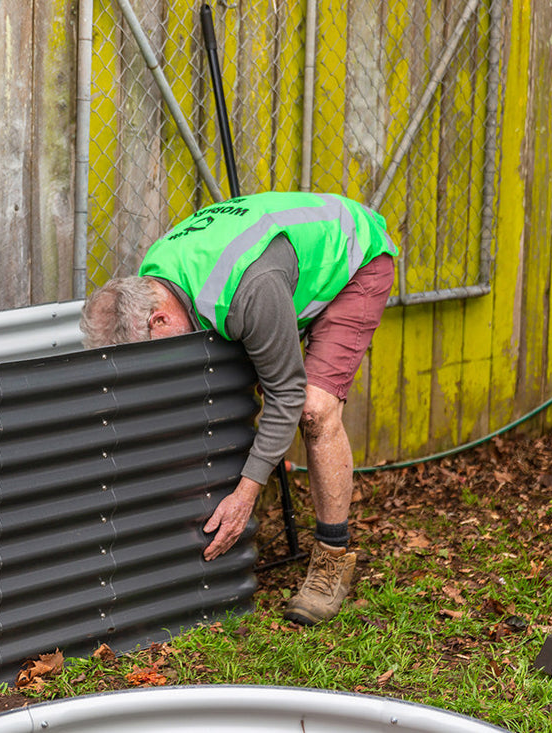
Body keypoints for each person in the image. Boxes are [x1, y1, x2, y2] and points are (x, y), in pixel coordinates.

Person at [79, 191, 398, 626]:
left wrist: (246, 494)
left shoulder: (249, 289)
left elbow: (285, 392)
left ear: (158, 320)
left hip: (353, 260)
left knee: (313, 410)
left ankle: (331, 561)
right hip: (277, 272)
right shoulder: (155, 275)